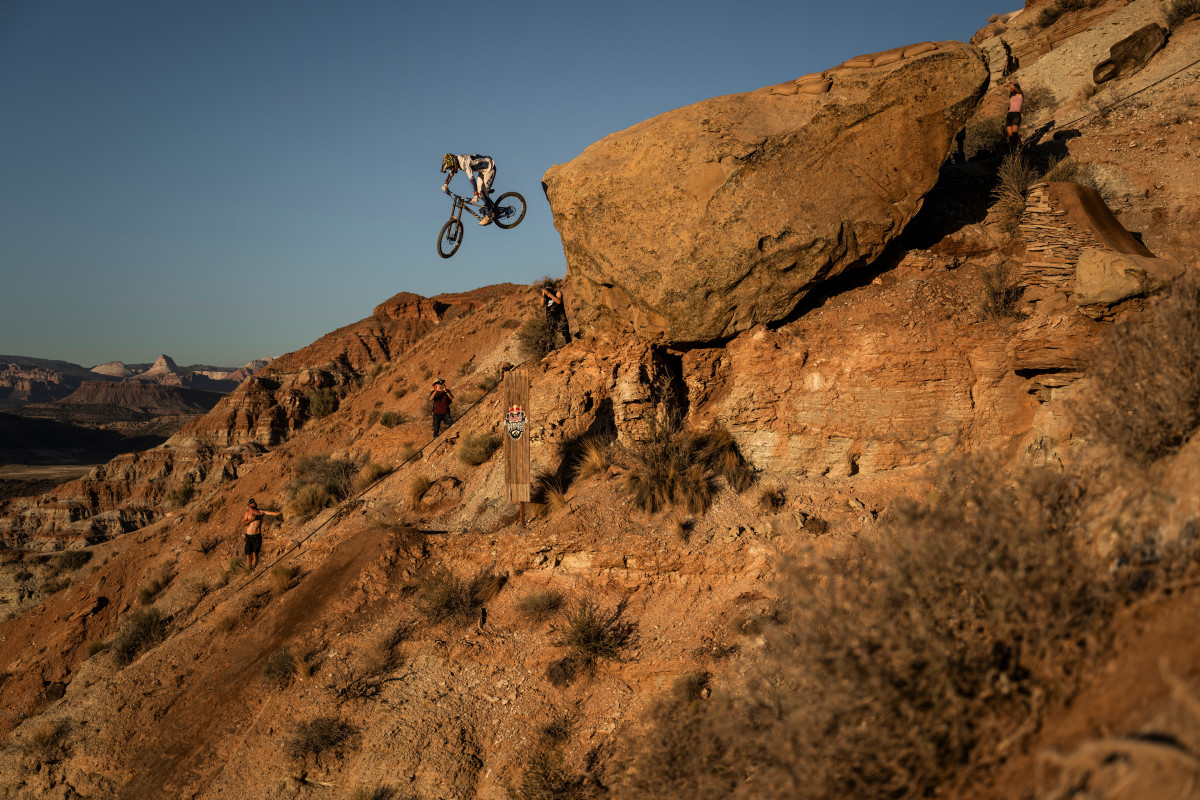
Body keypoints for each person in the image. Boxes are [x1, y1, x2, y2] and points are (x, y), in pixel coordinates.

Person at [441, 153, 497, 225]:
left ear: (454, 162)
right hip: (482, 171)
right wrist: (445, 184)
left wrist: (475, 194)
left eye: (451, 166)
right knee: (481, 193)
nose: (451, 169)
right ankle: (491, 206)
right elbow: (451, 173)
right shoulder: (456, 160)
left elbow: (472, 179)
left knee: (482, 193)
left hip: (489, 168)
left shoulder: (464, 163)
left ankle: (489, 216)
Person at [240, 499, 282, 570]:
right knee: (248, 555)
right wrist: (251, 519)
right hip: (249, 536)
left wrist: (281, 512)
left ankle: (253, 569)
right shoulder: (247, 513)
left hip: (257, 536)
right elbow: (243, 524)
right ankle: (248, 570)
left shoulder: (260, 512)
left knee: (255, 554)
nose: (254, 503)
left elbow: (272, 513)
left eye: (254, 502)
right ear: (249, 505)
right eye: (252, 503)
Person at [540, 282, 571, 346]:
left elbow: (559, 301)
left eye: (550, 288)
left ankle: (570, 347)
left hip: (560, 317)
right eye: (547, 289)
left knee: (565, 334)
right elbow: (541, 305)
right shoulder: (546, 297)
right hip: (550, 319)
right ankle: (552, 351)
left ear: (552, 287)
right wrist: (543, 295)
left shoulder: (557, 293)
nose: (549, 289)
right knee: (551, 337)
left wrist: (549, 294)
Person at [1006, 82, 1024, 148]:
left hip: (1016, 114)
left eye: (1012, 87)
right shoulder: (1012, 96)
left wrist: (1009, 84)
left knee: (1015, 133)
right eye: (1010, 88)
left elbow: (1014, 88)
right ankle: (1012, 150)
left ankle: (1020, 146)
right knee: (1010, 135)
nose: (1011, 88)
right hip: (1009, 115)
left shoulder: (1020, 94)